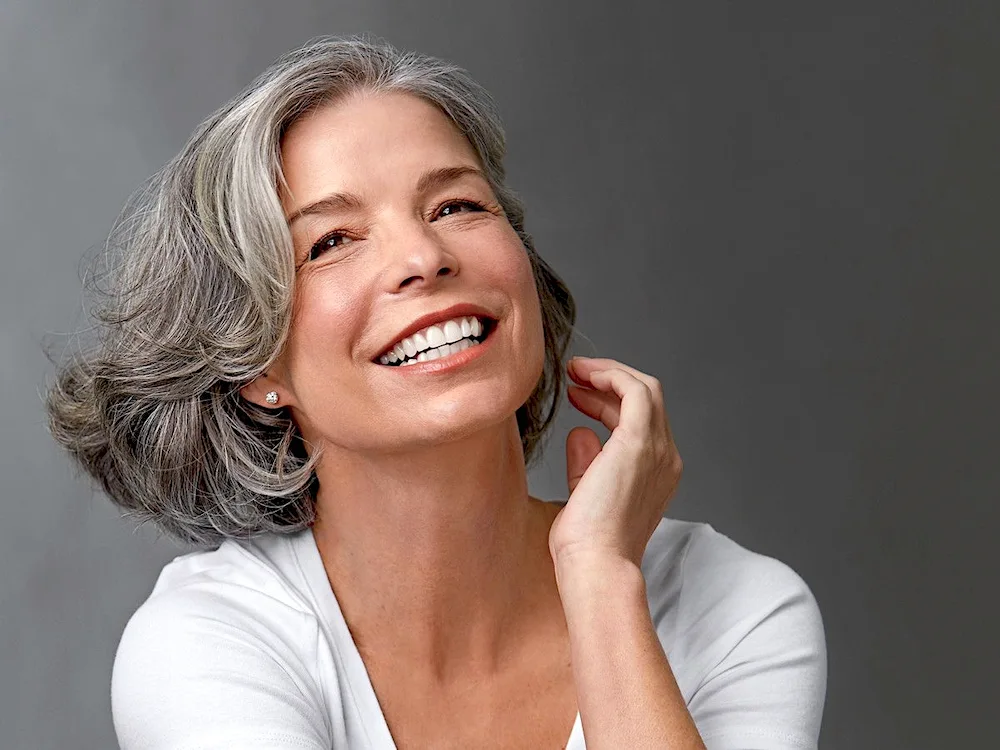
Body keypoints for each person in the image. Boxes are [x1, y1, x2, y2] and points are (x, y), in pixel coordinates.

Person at [46, 35, 827, 750]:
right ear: (256, 363)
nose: (423, 255)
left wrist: (599, 577)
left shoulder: (736, 608)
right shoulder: (208, 644)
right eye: (332, 242)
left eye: (456, 204)